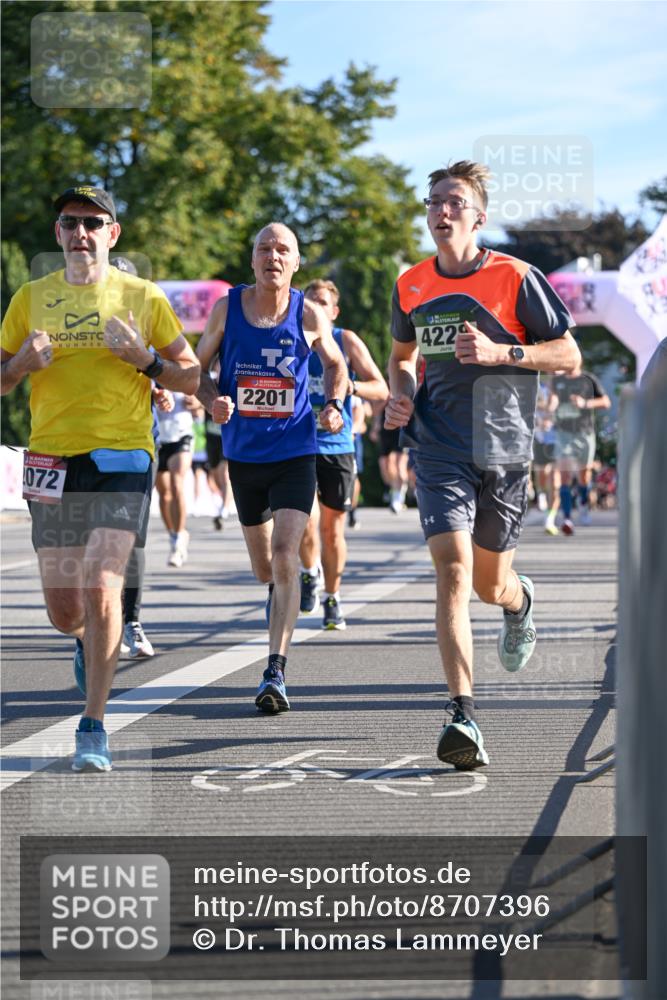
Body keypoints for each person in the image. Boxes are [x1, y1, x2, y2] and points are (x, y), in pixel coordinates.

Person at [386, 160, 580, 770]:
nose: (441, 211)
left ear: (477, 217)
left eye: (454, 202)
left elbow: (569, 353)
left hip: (504, 447)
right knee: (451, 569)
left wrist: (503, 351)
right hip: (437, 446)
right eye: (434, 201)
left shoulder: (516, 276)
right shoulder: (410, 283)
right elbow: (399, 356)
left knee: (488, 584)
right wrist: (400, 393)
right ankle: (463, 714)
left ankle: (519, 602)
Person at [0, 185, 200, 771]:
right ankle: (86, 643)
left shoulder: (141, 295)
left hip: (123, 457)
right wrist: (20, 365)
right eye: (70, 223)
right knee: (66, 611)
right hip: (51, 460)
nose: (80, 233)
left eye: (93, 222)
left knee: (104, 584)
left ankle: (93, 725)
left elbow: (189, 376)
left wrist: (146, 362)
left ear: (113, 234)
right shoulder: (29, 299)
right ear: (58, 233)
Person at [195, 222, 348, 713]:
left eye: (283, 249)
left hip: (295, 451)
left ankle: (274, 671)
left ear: (296, 262)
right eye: (264, 248)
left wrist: (335, 405)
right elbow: (196, 370)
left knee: (286, 554)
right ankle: (281, 591)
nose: (273, 256)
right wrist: (211, 400)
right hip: (244, 457)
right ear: (253, 258)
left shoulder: (310, 313)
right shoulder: (226, 309)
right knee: (264, 566)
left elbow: (336, 366)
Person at [298, 279, 388, 629]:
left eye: (322, 303)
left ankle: (332, 596)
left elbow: (381, 388)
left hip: (337, 446)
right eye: (309, 302)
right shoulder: (290, 338)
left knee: (332, 530)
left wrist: (350, 386)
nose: (315, 308)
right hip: (298, 444)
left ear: (334, 311)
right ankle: (309, 571)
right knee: (302, 520)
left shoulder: (345, 340)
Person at [550, 362, 611, 533]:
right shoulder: (557, 380)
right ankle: (567, 518)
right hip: (563, 433)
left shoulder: (589, 379)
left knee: (584, 476)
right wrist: (548, 409)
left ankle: (583, 505)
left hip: (584, 433)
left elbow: (606, 402)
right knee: (564, 476)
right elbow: (553, 400)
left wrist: (585, 403)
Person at [155, 390, 198, 566]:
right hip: (158, 438)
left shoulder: (183, 367)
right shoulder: (149, 369)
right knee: (164, 494)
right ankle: (173, 534)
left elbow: (200, 403)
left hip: (182, 435)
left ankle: (179, 538)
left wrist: (196, 403)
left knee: (176, 483)